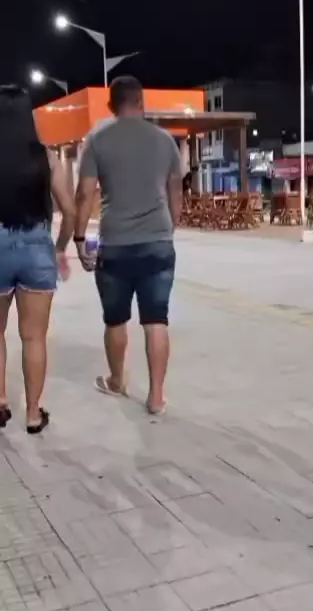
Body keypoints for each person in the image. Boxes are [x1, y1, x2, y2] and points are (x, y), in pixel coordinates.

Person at [74, 76, 183, 415]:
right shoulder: (165, 140)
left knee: (115, 319)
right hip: (158, 242)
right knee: (157, 320)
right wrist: (170, 226)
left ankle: (117, 380)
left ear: (111, 105)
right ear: (142, 102)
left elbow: (84, 193)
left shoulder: (97, 139)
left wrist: (79, 237)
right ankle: (156, 397)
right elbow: (176, 191)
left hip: (115, 245)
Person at [0, 85, 74, 433]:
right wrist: (60, 247)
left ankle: (0, 402)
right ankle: (32, 414)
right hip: (36, 247)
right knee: (34, 338)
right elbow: (69, 210)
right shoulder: (46, 157)